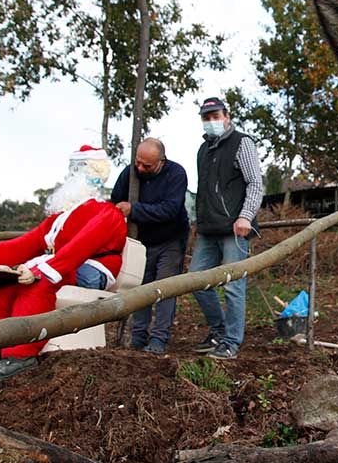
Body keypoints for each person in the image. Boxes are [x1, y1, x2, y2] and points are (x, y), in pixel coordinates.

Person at [0, 145, 127, 383]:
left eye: (78, 168)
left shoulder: (107, 213)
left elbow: (80, 247)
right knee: (7, 285)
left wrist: (40, 270)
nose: (71, 175)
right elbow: (25, 243)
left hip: (92, 268)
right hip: (60, 263)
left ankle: (21, 354)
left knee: (36, 283)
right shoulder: (59, 217)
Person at [190, 97, 262, 360]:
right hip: (208, 229)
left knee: (233, 286)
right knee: (196, 280)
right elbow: (205, 191)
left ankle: (231, 341)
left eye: (215, 116)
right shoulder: (203, 150)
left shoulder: (242, 143)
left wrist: (245, 216)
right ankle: (218, 330)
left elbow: (255, 183)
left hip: (235, 228)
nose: (211, 121)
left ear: (227, 116)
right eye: (206, 117)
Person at [110, 138, 189, 354]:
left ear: (161, 162)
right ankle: (138, 336)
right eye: (138, 163)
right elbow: (115, 201)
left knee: (165, 288)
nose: (140, 168)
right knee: (140, 288)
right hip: (141, 242)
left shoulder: (176, 174)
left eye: (147, 166)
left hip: (170, 240)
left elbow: (169, 210)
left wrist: (134, 210)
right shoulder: (130, 173)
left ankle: (158, 339)